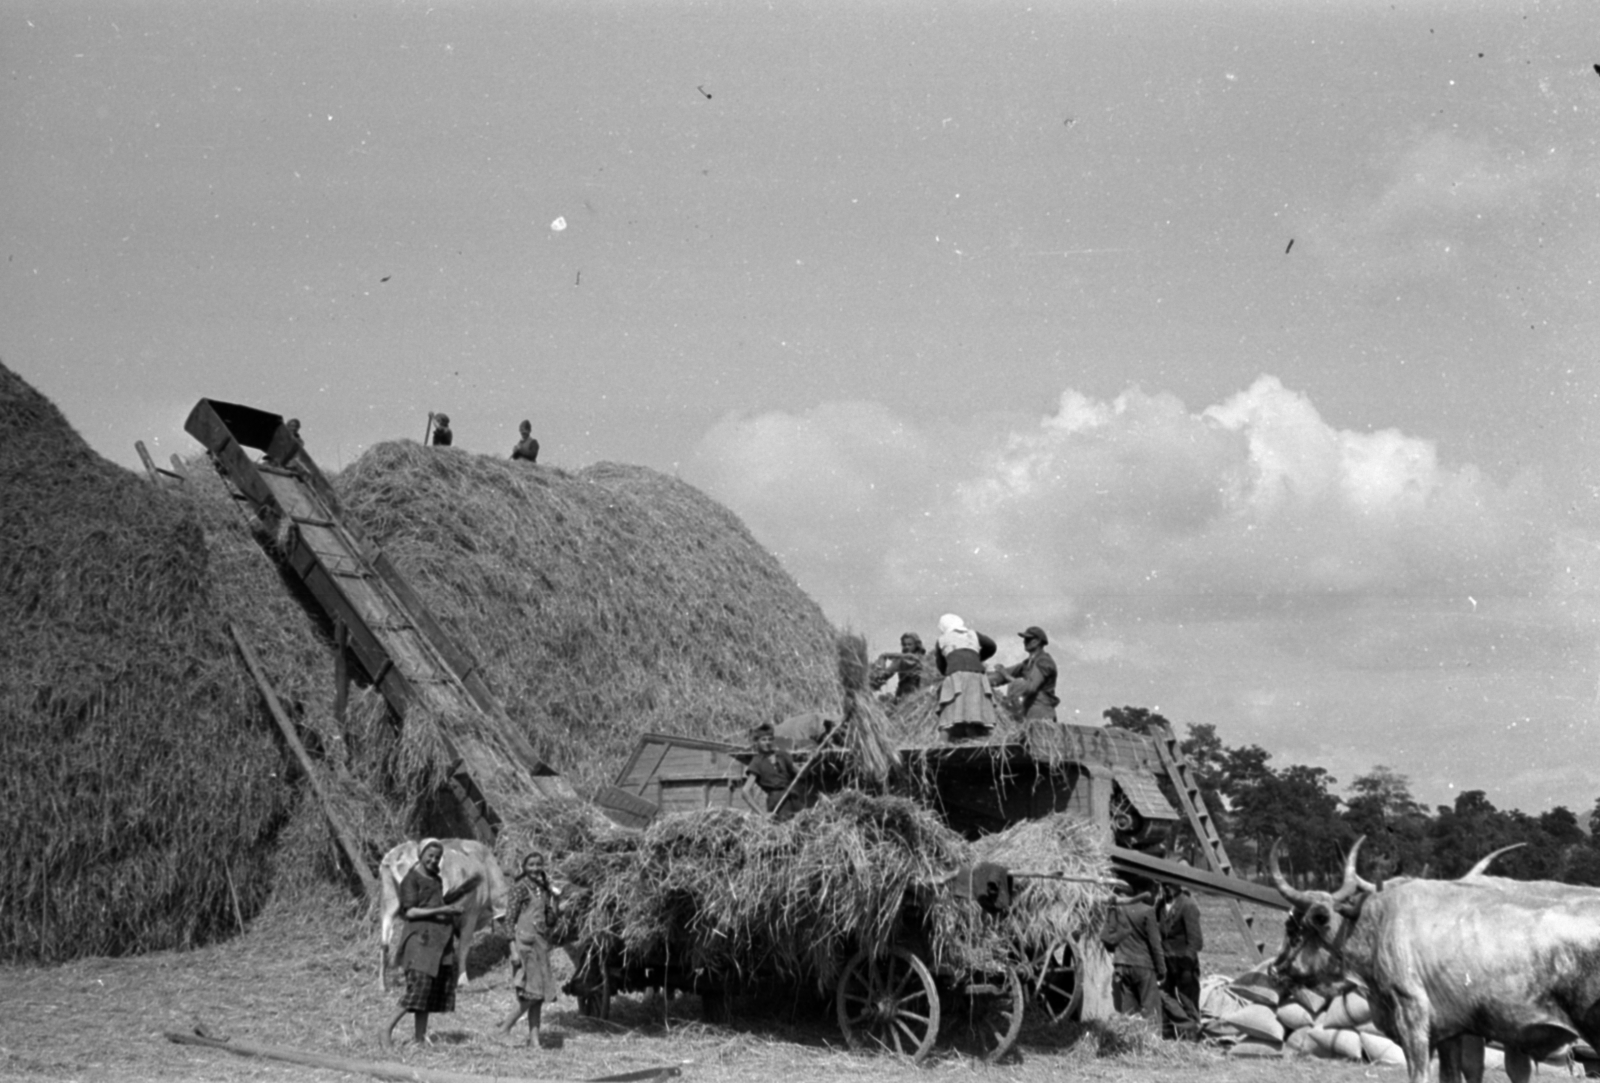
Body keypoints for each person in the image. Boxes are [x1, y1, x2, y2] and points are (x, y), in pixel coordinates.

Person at [378, 839, 483, 1049]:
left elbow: (436, 902)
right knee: (417, 990)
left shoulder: (435, 879)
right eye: (430, 855)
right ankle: (386, 1029)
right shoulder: (411, 880)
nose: (433, 860)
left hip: (436, 942)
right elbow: (410, 912)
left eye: (437, 857)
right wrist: (443, 911)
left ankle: (420, 1040)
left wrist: (461, 892)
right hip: (419, 941)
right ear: (420, 855)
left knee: (427, 994)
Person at [498, 851, 561, 1048]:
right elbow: (509, 921)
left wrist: (557, 901)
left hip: (540, 944)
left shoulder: (543, 889)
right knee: (530, 994)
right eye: (531, 865)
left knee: (538, 996)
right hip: (524, 946)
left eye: (538, 864)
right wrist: (513, 950)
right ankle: (504, 1029)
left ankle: (535, 1042)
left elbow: (550, 921)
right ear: (524, 867)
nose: (535, 868)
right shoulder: (519, 888)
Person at [1100, 879, 1166, 1025]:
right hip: (1143, 966)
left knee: (1129, 1012)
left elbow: (1110, 935)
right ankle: (1152, 1038)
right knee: (1151, 1011)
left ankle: (1130, 1037)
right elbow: (1155, 945)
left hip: (1122, 966)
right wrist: (1161, 970)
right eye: (1153, 891)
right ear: (1145, 892)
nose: (1155, 896)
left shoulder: (1119, 909)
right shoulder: (1147, 911)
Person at [933, 614, 1000, 740]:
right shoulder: (973, 634)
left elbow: (941, 666)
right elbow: (992, 646)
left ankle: (942, 743)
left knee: (949, 716)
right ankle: (993, 741)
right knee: (982, 714)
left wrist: (951, 664)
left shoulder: (941, 639)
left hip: (955, 677)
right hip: (977, 676)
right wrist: (976, 656)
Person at [1158, 880, 1204, 1037]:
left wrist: (1186, 962)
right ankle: (1180, 1029)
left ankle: (1193, 1035)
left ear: (1178, 884)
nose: (1166, 887)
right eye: (1164, 884)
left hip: (1185, 963)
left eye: (1169, 884)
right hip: (1167, 961)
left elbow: (1196, 940)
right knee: (1164, 995)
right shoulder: (1161, 905)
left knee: (1188, 1000)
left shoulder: (1187, 904)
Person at [995, 625, 1060, 722]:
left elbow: (1030, 687)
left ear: (1037, 641)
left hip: (1041, 713)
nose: (1024, 642)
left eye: (1028, 639)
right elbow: (1000, 675)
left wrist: (1007, 676)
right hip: (1030, 711)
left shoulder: (1044, 661)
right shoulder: (1027, 663)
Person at [742, 722, 800, 820]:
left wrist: (813, 760)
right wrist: (762, 814)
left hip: (793, 798)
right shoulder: (757, 762)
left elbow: (801, 774)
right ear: (757, 742)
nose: (767, 742)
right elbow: (745, 791)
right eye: (763, 740)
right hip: (777, 803)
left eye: (770, 739)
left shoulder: (782, 755)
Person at [870, 633, 929, 700]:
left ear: (916, 645)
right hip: (904, 695)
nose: (906, 647)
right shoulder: (903, 659)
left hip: (914, 695)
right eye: (904, 645)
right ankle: (877, 678)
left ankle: (877, 678)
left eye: (909, 644)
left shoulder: (922, 659)